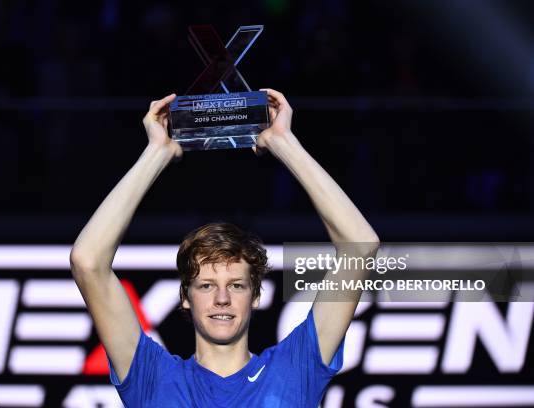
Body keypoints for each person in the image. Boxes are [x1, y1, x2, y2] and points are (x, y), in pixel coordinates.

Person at [69, 89, 379, 407]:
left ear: (256, 295)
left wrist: (284, 142)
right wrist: (156, 153)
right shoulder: (152, 378)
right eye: (206, 285)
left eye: (236, 285)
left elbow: (361, 245)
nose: (222, 298)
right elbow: (87, 261)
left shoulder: (295, 370)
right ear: (185, 297)